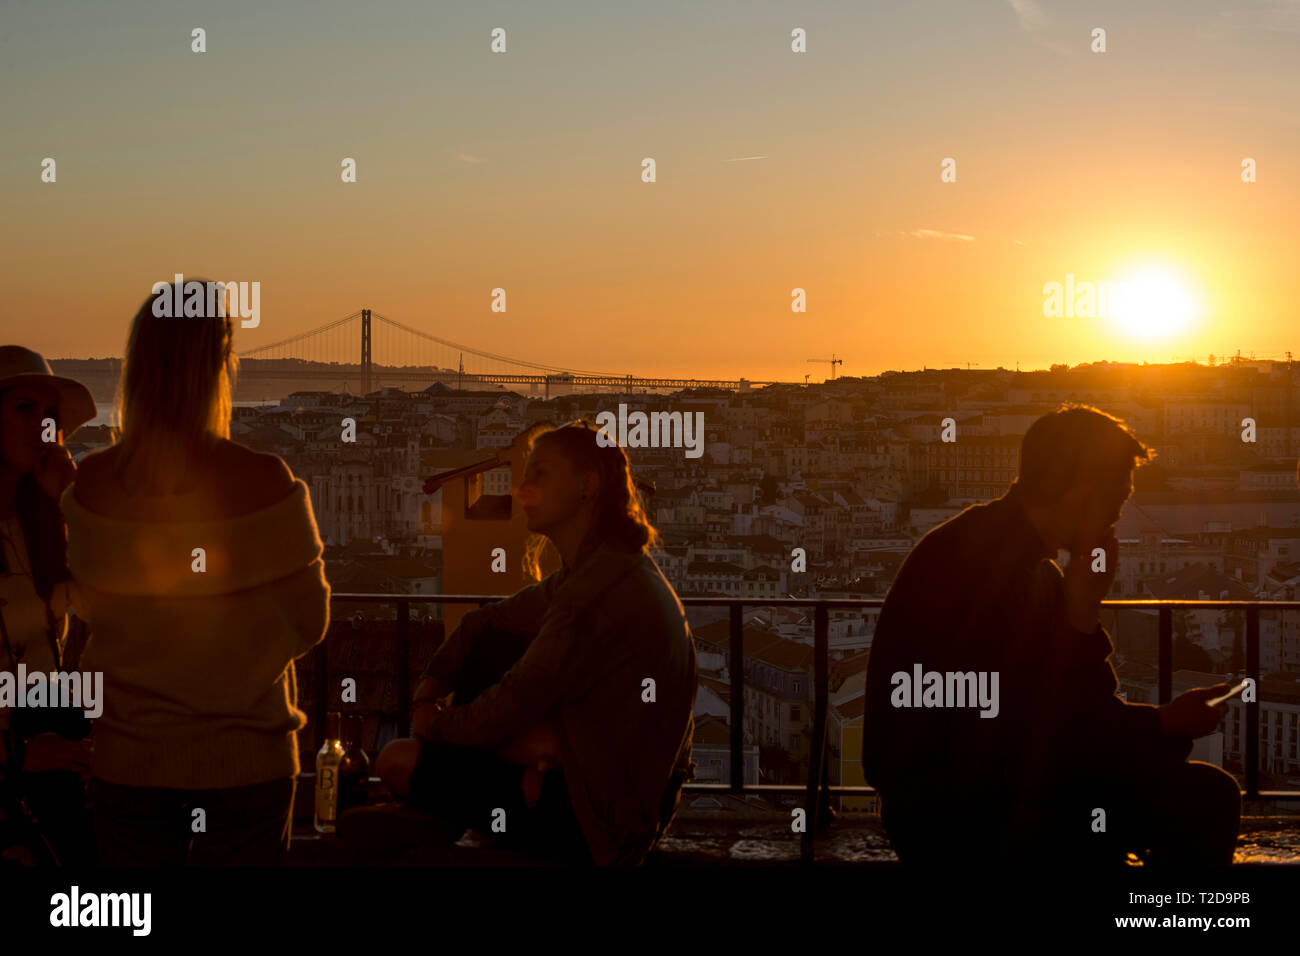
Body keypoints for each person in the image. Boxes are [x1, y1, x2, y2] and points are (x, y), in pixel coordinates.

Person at [862, 404, 1241, 868]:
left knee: (1194, 794)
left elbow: (1060, 715)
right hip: (969, 817)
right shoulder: (996, 570)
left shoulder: (1006, 557)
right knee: (1205, 798)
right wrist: (1163, 722)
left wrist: (1081, 612)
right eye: (1117, 501)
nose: (1116, 520)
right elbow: (1049, 725)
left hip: (965, 799)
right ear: (1079, 493)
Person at [59, 281, 330, 866]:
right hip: (246, 764)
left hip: (129, 762)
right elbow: (312, 622)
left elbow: (83, 606)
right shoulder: (267, 480)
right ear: (222, 365)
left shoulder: (91, 485)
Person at [362, 420, 697, 866]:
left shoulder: (594, 593)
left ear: (586, 488)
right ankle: (502, 771)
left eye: (540, 473)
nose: (522, 489)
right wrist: (429, 693)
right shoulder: (600, 570)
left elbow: (516, 698)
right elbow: (484, 624)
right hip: (587, 785)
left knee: (396, 759)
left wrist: (434, 728)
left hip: (596, 824)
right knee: (497, 640)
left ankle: (435, 803)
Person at [0, 346, 97, 866]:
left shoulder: (44, 523)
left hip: (52, 739)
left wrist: (70, 499)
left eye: (50, 416)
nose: (41, 424)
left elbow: (101, 605)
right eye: (23, 409)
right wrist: (17, 754)